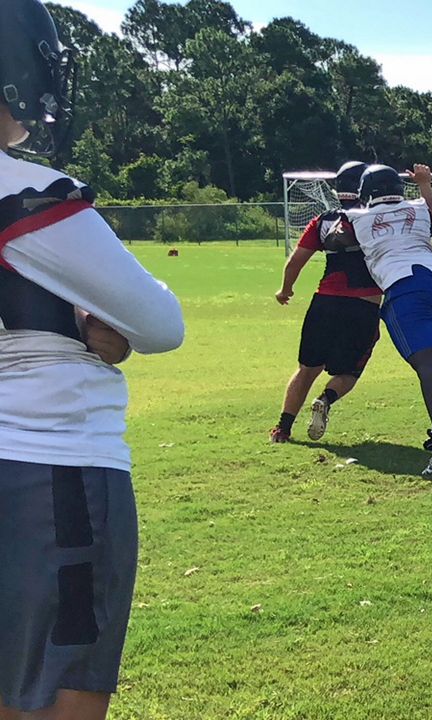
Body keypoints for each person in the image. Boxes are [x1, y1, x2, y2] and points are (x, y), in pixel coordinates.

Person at [0, 2, 186, 717]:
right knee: (58, 699)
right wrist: (84, 322)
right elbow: (159, 322)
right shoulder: (27, 193)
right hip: (53, 472)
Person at [344, 164, 432, 476]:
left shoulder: (356, 217)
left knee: (427, 363)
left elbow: (335, 237)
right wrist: (425, 184)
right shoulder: (418, 207)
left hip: (405, 285)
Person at [271, 161, 381, 443]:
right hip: (363, 305)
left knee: (307, 369)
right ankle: (325, 398)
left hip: (324, 303)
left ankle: (282, 428)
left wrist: (285, 290)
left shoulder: (323, 221)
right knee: (350, 371)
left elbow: (295, 261)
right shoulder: (378, 218)